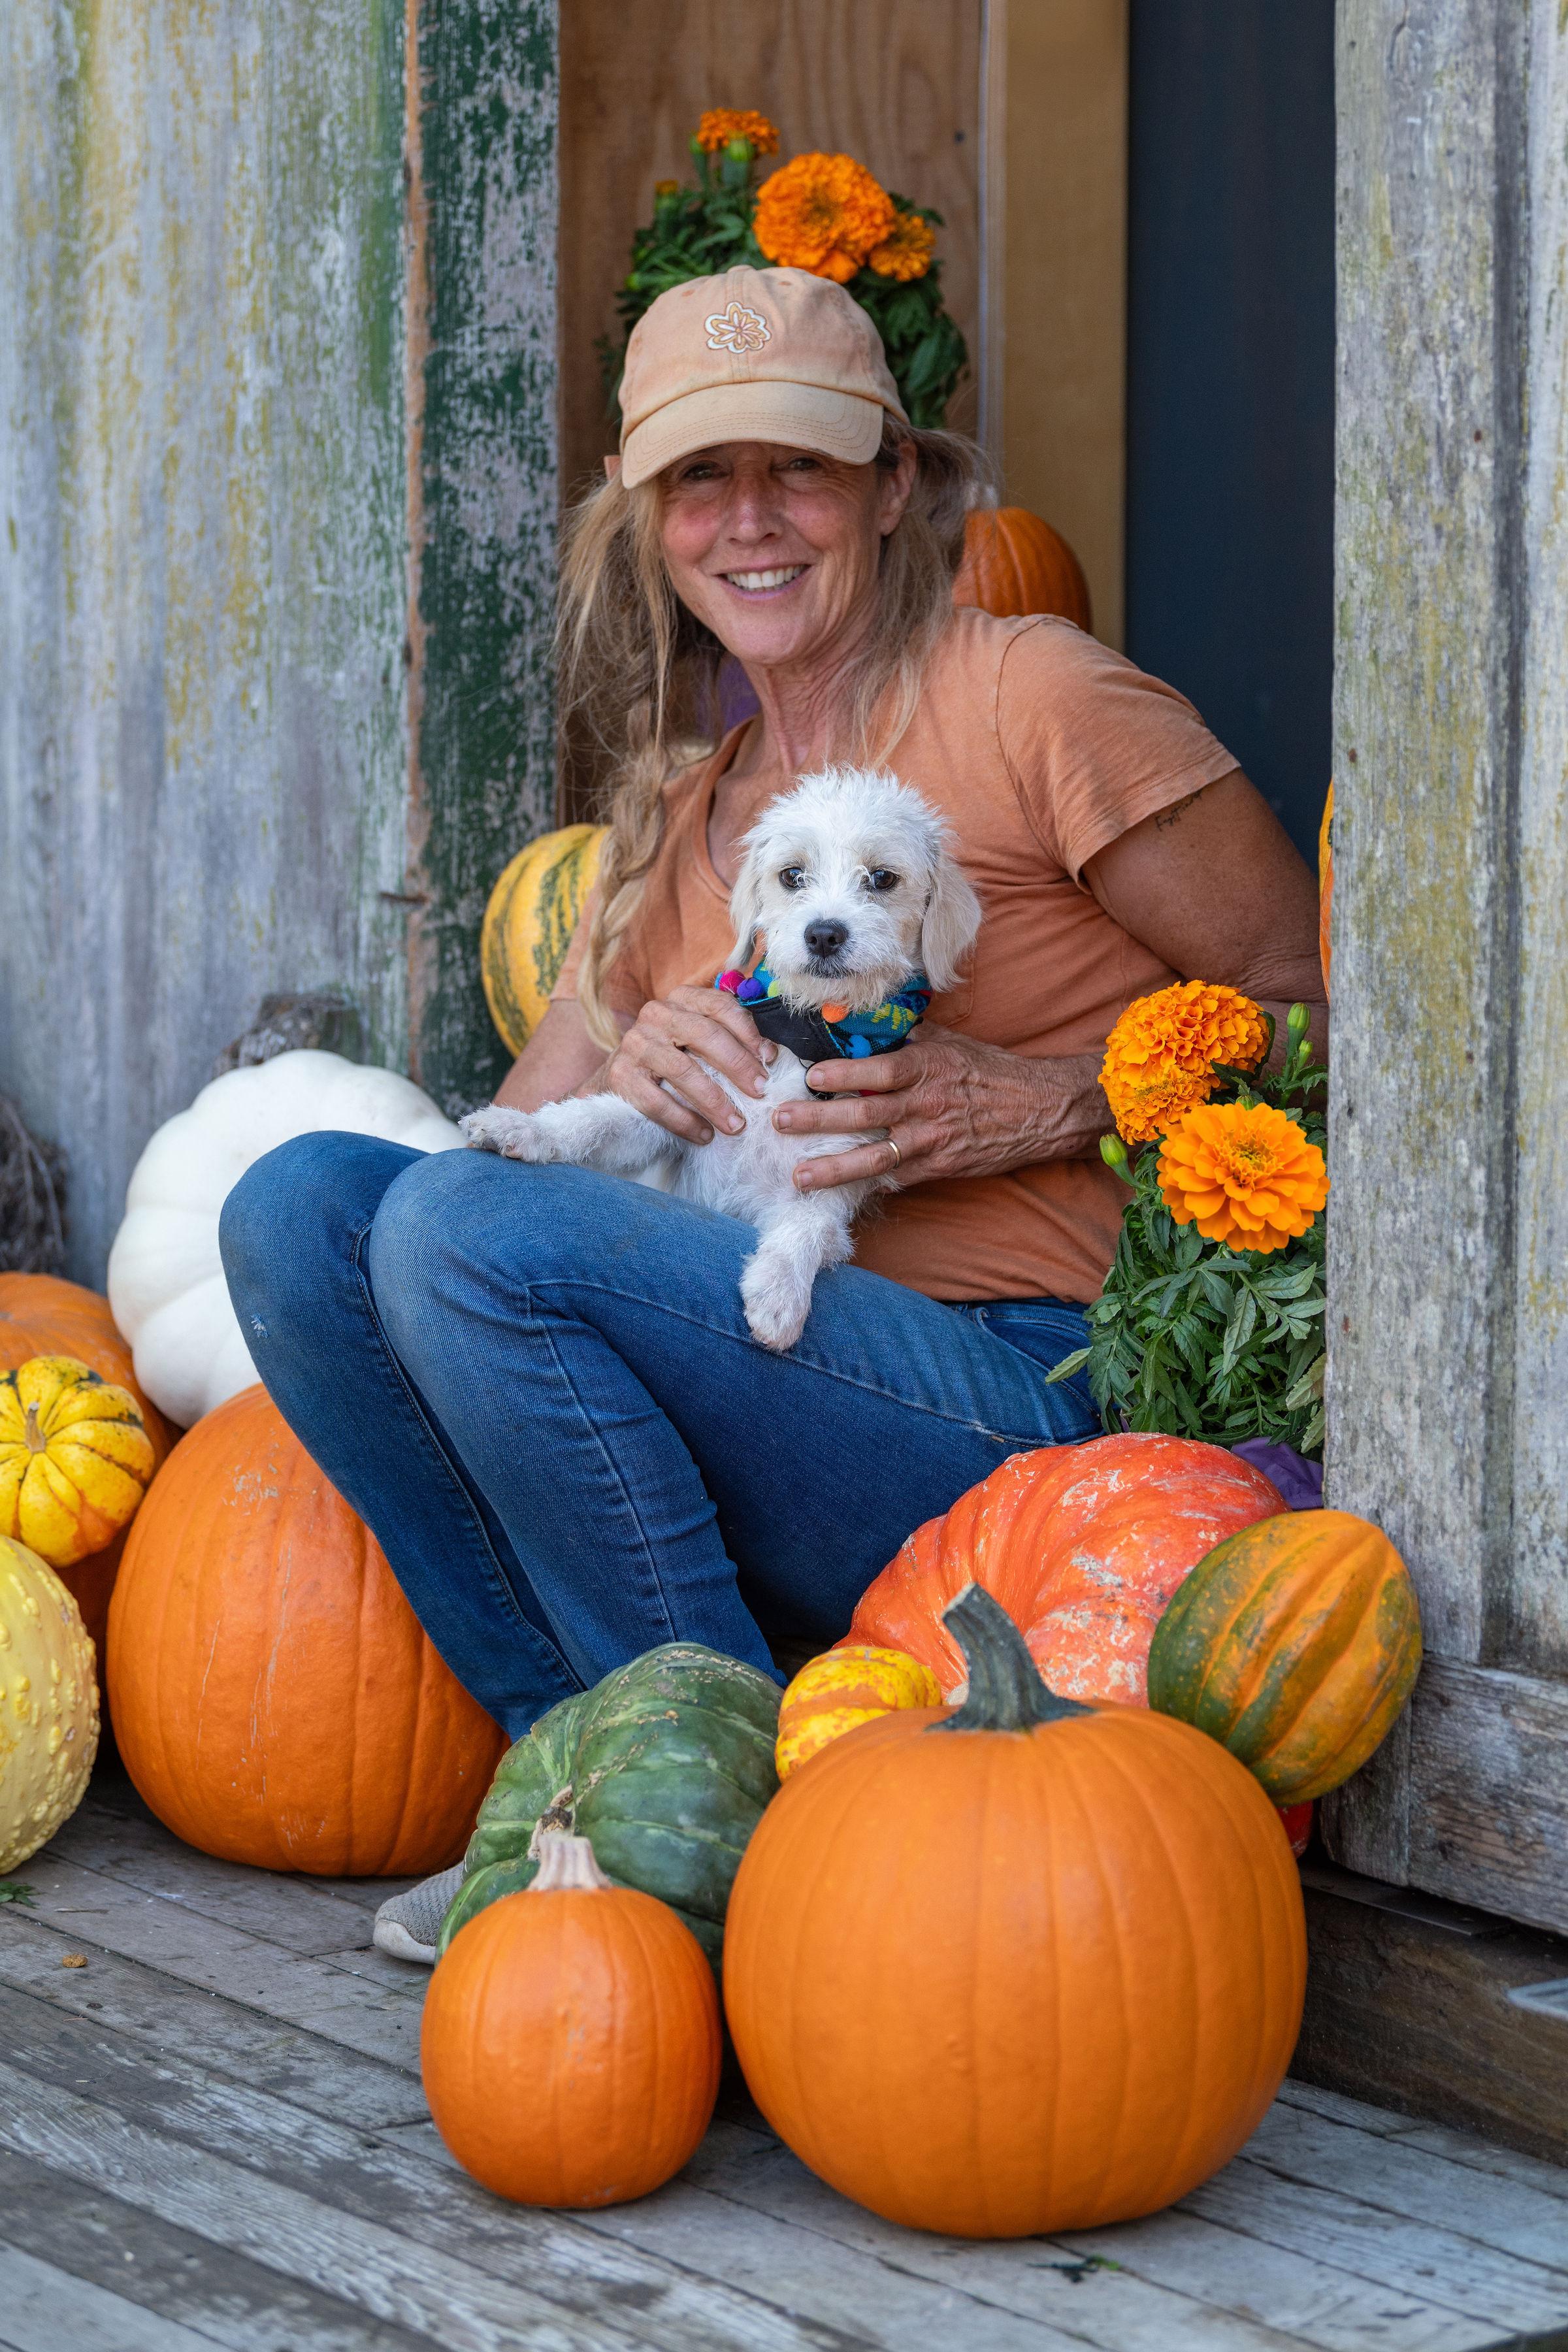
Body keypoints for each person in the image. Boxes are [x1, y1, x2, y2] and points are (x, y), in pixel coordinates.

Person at [221, 264, 1324, 1758]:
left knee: (460, 1232)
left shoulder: (1035, 700)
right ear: (645, 513)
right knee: (299, 1208)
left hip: (1019, 1402)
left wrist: (1052, 1097)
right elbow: (509, 1167)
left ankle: (701, 1772)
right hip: (755, 1355)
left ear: (893, 488)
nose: (749, 518)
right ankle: (593, 1776)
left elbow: (1321, 1010)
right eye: (700, 478)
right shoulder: (684, 823)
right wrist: (645, 1056)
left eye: (798, 465)